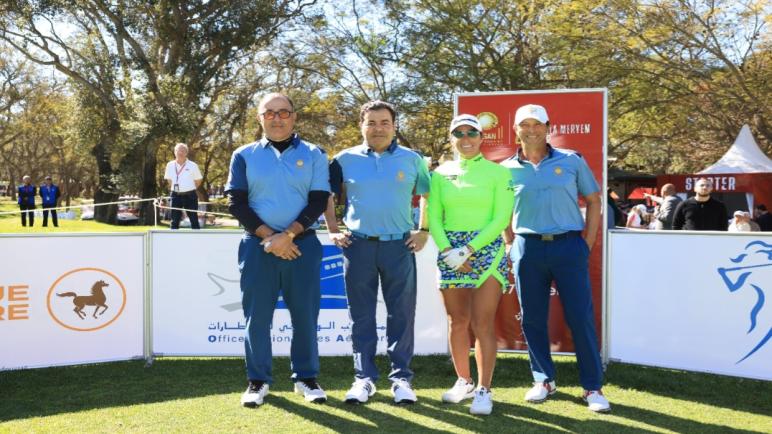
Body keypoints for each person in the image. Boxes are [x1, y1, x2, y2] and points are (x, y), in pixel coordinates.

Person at [501, 104, 609, 412]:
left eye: (538, 123)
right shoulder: (506, 169)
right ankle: (543, 380)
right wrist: (510, 242)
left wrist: (586, 243)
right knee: (533, 318)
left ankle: (592, 387)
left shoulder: (571, 161)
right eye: (525, 124)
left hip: (568, 247)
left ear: (549, 127)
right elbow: (503, 210)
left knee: (580, 317)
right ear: (516, 129)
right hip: (527, 248)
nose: (532, 129)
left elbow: (593, 199)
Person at [225, 92, 331, 407]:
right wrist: (271, 237)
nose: (276, 118)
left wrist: (288, 235)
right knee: (257, 318)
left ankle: (306, 379)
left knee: (305, 316)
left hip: (304, 245)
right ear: (260, 118)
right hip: (258, 247)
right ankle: (257, 382)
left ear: (294, 116)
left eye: (283, 112)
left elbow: (318, 199)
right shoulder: (243, 154)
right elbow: (236, 203)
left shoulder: (314, 153)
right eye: (269, 112)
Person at [328, 100, 431, 405]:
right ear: (361, 126)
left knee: (401, 314)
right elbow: (326, 196)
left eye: (384, 122)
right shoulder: (343, 159)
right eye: (371, 122)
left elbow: (426, 195)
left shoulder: (414, 160)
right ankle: (364, 379)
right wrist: (333, 228)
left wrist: (423, 229)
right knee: (361, 316)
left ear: (394, 126)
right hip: (357, 246)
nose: (378, 128)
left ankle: (401, 379)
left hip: (399, 246)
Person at [428, 114, 514, 415]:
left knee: (482, 323)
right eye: (459, 133)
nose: (465, 138)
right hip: (449, 250)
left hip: (486, 250)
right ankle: (463, 380)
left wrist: (468, 250)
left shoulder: (499, 174)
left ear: (481, 137)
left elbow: (501, 218)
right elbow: (434, 217)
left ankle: (484, 389)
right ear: (451, 138)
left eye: (471, 133)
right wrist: (449, 251)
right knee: (458, 322)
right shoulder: (439, 174)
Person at [164, 143, 203, 229]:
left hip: (190, 196)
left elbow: (198, 180)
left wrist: (188, 188)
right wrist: (178, 189)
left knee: (194, 219)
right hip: (175, 195)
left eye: (183, 151)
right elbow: (169, 180)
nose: (180, 153)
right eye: (178, 150)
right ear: (175, 152)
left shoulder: (193, 165)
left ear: (186, 153)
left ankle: (197, 241)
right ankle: (173, 240)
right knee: (174, 220)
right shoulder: (170, 165)